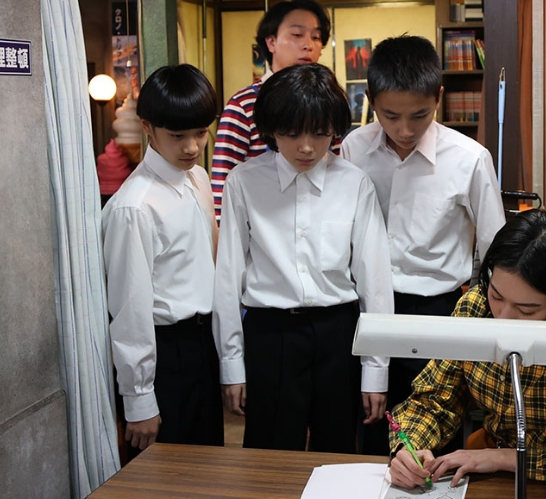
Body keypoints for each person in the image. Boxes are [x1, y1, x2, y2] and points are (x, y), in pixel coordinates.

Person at [388, 209, 546, 489]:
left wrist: (507, 459)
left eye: (526, 310)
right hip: (488, 467)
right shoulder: (476, 308)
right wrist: (410, 448)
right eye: (496, 296)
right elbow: (433, 401)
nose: (504, 317)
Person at [213, 63, 394, 453]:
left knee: (337, 453)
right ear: (271, 130)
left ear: (335, 130)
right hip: (269, 334)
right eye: (292, 134)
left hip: (338, 333)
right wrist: (231, 365)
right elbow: (227, 278)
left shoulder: (354, 183)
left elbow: (375, 282)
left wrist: (376, 372)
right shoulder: (243, 182)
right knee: (269, 458)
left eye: (320, 133)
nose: (307, 147)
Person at [341, 35, 505, 455]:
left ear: (439, 98)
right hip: (365, 308)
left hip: (437, 311)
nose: (405, 130)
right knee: (369, 428)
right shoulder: (353, 149)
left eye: (420, 115)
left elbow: (495, 247)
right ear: (370, 100)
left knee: (433, 435)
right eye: (390, 115)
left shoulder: (469, 158)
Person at [102, 64, 223, 456]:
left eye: (200, 132)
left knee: (208, 465)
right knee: (165, 472)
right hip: (164, 353)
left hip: (203, 344)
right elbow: (129, 308)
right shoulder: (134, 206)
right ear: (147, 127)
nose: (192, 147)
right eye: (177, 135)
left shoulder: (198, 178)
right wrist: (138, 398)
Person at [212, 0, 332, 222]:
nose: (308, 45)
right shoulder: (244, 104)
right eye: (297, 35)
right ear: (271, 42)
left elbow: (336, 166)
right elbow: (222, 185)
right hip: (260, 223)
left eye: (316, 37)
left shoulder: (328, 102)